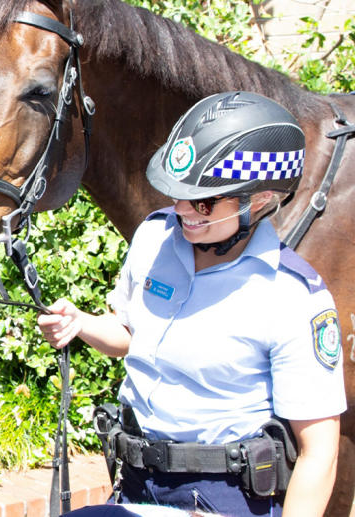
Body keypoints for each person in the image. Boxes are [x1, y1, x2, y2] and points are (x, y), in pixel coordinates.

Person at [37, 91, 345, 516]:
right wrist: (81, 323)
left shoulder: (291, 296)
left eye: (202, 201)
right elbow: (129, 335)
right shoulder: (154, 237)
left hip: (223, 497)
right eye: (177, 193)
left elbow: (320, 453)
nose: (182, 209)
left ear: (259, 199)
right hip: (136, 481)